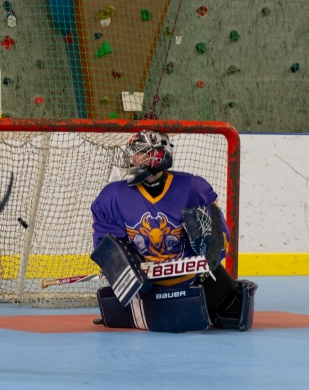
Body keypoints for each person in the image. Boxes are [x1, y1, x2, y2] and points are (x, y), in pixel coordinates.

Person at [90, 131, 257, 333]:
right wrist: (122, 269)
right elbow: (106, 245)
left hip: (190, 280)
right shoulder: (113, 195)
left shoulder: (192, 188)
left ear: (159, 155)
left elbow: (219, 236)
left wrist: (210, 250)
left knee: (235, 311)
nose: (134, 158)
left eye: (141, 152)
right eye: (133, 152)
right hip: (145, 286)